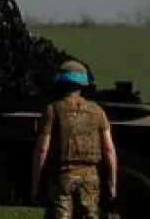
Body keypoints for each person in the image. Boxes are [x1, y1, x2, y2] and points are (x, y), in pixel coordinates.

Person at [30, 59, 117, 218]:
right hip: (91, 177)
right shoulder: (98, 111)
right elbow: (109, 150)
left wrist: (36, 183)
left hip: (62, 176)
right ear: (83, 84)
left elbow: (42, 149)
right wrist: (112, 183)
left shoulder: (52, 110)